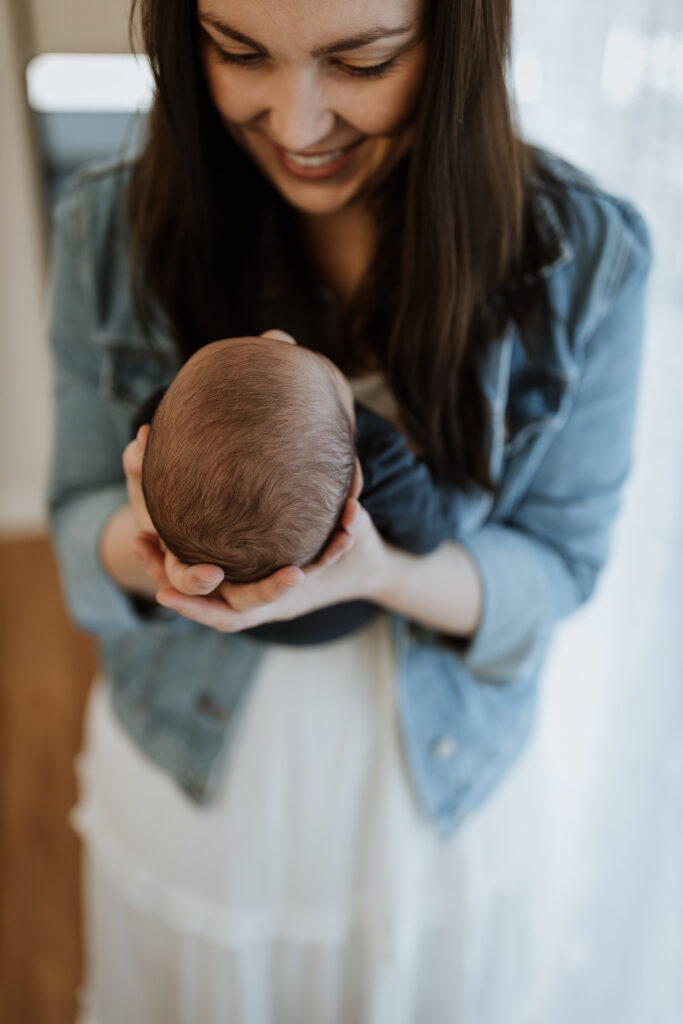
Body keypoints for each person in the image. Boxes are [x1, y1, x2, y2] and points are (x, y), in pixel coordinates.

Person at [46, 0, 653, 1019]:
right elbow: (74, 521)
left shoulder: (583, 256)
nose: (296, 124)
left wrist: (383, 572)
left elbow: (559, 568)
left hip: (432, 797)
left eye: (362, 62)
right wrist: (151, 535)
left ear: (457, 38)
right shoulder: (106, 227)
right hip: (197, 781)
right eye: (239, 51)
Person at [134, 330, 474, 644]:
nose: (278, 335)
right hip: (336, 611)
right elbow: (431, 531)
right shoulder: (378, 457)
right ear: (356, 478)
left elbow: (148, 422)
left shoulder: (161, 421)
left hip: (236, 612)